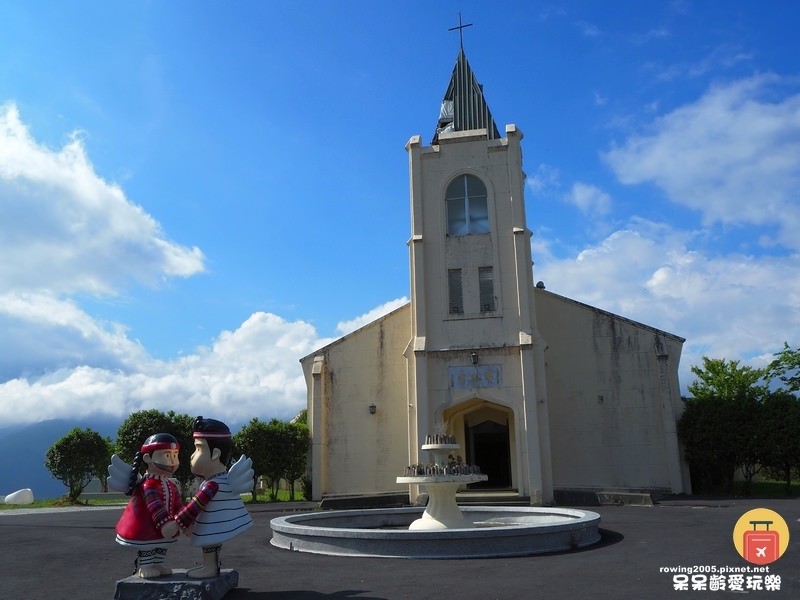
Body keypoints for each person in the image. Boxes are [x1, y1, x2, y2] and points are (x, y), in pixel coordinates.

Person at [175, 416, 253, 578]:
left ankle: (210, 567)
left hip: (213, 524)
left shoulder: (213, 485)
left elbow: (195, 506)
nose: (192, 455)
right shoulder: (218, 481)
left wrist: (180, 521)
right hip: (215, 523)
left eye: (198, 449)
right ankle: (211, 566)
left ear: (215, 454)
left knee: (209, 542)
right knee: (212, 543)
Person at [113, 433, 184, 578]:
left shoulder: (170, 484)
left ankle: (157, 563)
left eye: (174, 456)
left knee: (162, 545)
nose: (172, 462)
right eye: (166, 456)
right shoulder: (148, 485)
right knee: (149, 546)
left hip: (165, 526)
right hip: (147, 525)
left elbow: (177, 503)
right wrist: (165, 522)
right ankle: (145, 565)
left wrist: (183, 517)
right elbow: (154, 504)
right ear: (147, 458)